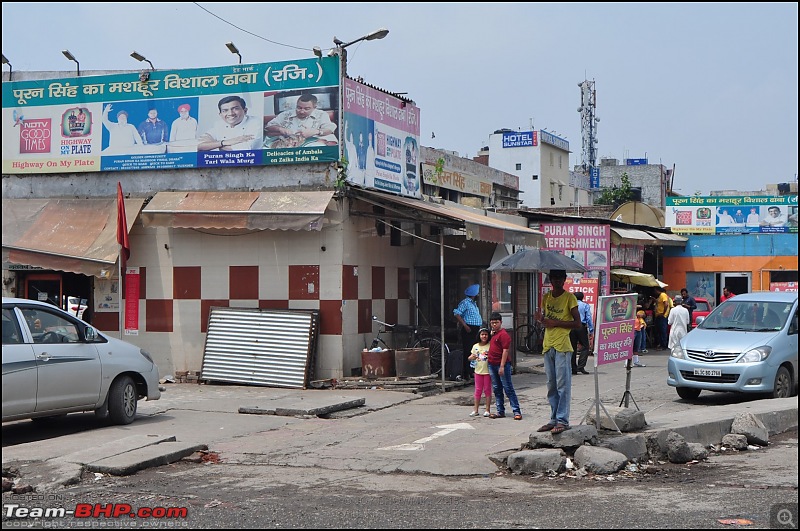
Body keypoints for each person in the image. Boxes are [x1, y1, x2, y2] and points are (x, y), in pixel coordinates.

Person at [535, 269, 580, 434]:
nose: (557, 281)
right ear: (550, 280)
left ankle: (562, 420)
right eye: (554, 278)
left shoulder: (570, 298)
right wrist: (540, 320)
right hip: (548, 345)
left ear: (564, 279)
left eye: (560, 278)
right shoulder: (546, 298)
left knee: (563, 385)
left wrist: (556, 323)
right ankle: (553, 418)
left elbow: (577, 323)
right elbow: (545, 321)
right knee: (551, 385)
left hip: (563, 346)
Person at [487, 312, 521, 420]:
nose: (494, 325)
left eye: (496, 323)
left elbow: (505, 351)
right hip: (491, 364)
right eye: (492, 323)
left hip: (502, 365)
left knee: (508, 388)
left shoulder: (504, 335)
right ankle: (500, 411)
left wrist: (501, 366)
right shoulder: (493, 334)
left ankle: (516, 411)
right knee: (497, 389)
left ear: (501, 322)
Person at [197, 95, 263, 151]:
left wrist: (214, 145)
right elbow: (199, 145)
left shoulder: (255, 122)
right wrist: (226, 142)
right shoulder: (219, 124)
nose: (230, 113)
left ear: (245, 111)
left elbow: (245, 148)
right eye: (225, 110)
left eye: (235, 109)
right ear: (220, 114)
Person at [264, 93, 336, 144]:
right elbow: (268, 126)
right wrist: (280, 129)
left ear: (314, 108)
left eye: (306, 109)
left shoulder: (321, 114)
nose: (302, 111)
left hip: (312, 147)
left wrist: (315, 131)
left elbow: (330, 129)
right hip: (289, 147)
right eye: (299, 107)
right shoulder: (286, 114)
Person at [453, 284, 483, 380]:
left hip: (475, 329)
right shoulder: (465, 302)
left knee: (475, 350)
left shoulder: (474, 303)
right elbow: (457, 313)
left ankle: (472, 370)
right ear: (474, 294)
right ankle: (466, 372)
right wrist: (464, 325)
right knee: (468, 350)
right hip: (468, 329)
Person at [468, 328, 492, 418]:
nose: (484, 336)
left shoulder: (490, 345)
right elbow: (470, 357)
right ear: (479, 336)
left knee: (487, 390)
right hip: (477, 371)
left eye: (486, 334)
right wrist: (471, 357)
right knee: (477, 391)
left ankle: (487, 410)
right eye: (482, 334)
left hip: (487, 372)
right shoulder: (475, 346)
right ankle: (475, 410)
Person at [569, 291, 593, 375]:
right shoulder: (585, 305)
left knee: (572, 348)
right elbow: (589, 318)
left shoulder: (570, 305)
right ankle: (581, 366)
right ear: (582, 298)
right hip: (581, 326)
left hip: (571, 326)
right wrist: (591, 330)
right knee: (585, 346)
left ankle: (573, 368)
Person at [653, 286, 671, 350]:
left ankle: (663, 345)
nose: (654, 292)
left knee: (662, 331)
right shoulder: (660, 296)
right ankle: (660, 344)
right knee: (659, 331)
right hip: (658, 316)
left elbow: (666, 304)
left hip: (662, 316)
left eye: (655, 291)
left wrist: (663, 313)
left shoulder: (663, 295)